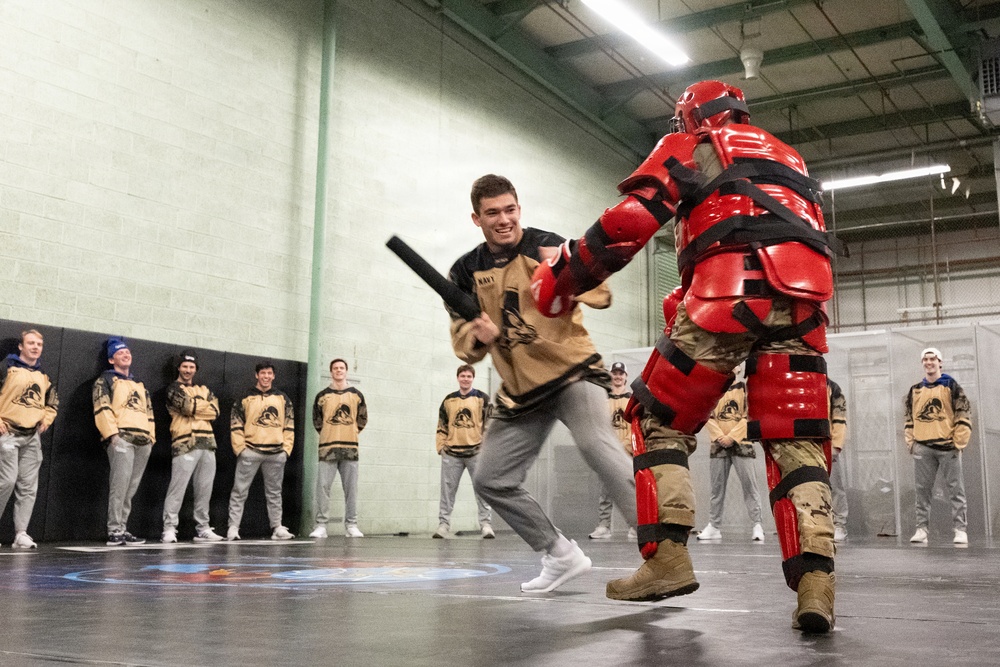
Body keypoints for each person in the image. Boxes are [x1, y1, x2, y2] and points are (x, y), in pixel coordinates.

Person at [531, 80, 843, 632]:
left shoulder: (697, 144)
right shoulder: (789, 158)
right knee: (797, 442)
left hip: (729, 296)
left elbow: (627, 224)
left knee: (656, 418)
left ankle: (668, 559)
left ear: (693, 117)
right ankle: (816, 586)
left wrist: (562, 278)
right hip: (804, 305)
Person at [447, 174, 637, 594]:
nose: (504, 220)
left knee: (596, 445)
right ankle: (560, 553)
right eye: (492, 213)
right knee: (490, 479)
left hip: (572, 371)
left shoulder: (546, 246)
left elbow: (602, 295)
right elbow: (464, 346)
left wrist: (567, 273)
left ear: (519, 209)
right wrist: (478, 335)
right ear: (476, 218)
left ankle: (664, 549)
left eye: (510, 210)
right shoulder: (464, 271)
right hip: (521, 392)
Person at [904, 347, 971, 545]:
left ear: (940, 362)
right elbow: (909, 417)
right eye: (925, 359)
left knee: (956, 490)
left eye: (932, 359)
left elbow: (963, 414)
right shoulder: (916, 390)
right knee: (922, 491)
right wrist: (911, 442)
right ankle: (921, 529)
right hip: (923, 447)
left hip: (948, 447)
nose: (929, 362)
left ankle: (960, 529)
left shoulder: (952, 386)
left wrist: (959, 442)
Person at [93, 337, 155, 545]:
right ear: (111, 360)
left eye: (127, 352)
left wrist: (151, 436)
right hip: (123, 438)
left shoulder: (139, 385)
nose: (126, 355)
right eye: (120, 353)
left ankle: (123, 527)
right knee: (119, 486)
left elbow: (149, 412)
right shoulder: (105, 380)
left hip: (143, 440)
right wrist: (112, 434)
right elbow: (102, 407)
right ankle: (114, 529)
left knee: (131, 488)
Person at [0, 329, 58, 549]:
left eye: (39, 344)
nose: (35, 347)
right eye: (31, 343)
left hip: (32, 436)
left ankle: (21, 533)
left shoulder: (44, 376)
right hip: (8, 433)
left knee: (28, 486)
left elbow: (53, 402)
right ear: (21, 346)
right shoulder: (6, 368)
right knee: (6, 481)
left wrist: (47, 418)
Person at [696, 363, 765, 543]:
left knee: (750, 486)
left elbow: (749, 415)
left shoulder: (746, 388)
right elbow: (707, 415)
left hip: (742, 444)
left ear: (739, 368)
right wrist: (720, 436)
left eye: (735, 365)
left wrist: (732, 437)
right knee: (717, 489)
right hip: (719, 445)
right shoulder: (714, 390)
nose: (731, 367)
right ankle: (714, 526)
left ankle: (757, 525)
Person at [227, 360, 295, 541]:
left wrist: (286, 450)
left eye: (269, 373)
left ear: (274, 376)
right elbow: (235, 423)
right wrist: (240, 449)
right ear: (256, 375)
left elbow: (289, 425)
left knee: (274, 493)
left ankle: (277, 527)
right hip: (250, 451)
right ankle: (233, 527)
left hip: (276, 453)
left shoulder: (282, 398)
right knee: (239, 491)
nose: (266, 376)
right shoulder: (245, 397)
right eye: (263, 373)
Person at [162, 351, 224, 543]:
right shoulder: (173, 389)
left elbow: (215, 411)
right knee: (177, 489)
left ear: (196, 369)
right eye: (184, 366)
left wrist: (196, 407)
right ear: (179, 368)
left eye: (191, 367)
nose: (188, 370)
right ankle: (169, 528)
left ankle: (203, 528)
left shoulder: (204, 389)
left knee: (204, 490)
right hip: (184, 443)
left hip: (207, 443)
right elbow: (187, 407)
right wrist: (201, 406)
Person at [432, 364, 493, 539]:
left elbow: (490, 424)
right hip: (452, 453)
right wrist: (441, 447)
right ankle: (443, 525)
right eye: (462, 376)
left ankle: (486, 525)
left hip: (476, 453)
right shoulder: (449, 400)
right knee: (447, 491)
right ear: (458, 378)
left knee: (482, 489)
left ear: (473, 378)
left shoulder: (482, 399)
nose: (465, 379)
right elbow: (442, 425)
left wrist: (486, 448)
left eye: (468, 376)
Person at [308, 358, 367, 539]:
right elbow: (317, 421)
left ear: (346, 371)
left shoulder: (356, 395)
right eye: (335, 368)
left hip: (350, 449)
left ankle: (351, 525)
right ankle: (321, 526)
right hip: (327, 449)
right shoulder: (322, 396)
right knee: (323, 488)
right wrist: (330, 433)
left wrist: (351, 432)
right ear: (331, 371)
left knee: (351, 490)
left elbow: (362, 419)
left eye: (341, 368)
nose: (339, 370)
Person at [589, 361, 633, 540]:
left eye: (621, 373)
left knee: (630, 490)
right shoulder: (603, 400)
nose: (618, 376)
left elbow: (636, 427)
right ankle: (604, 526)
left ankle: (634, 526)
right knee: (605, 491)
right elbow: (599, 425)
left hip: (628, 453)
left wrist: (626, 446)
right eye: (615, 373)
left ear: (626, 377)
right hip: (608, 452)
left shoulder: (632, 400)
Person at [828, 378, 848, 543]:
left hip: (827, 446)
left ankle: (839, 524)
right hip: (806, 444)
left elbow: (840, 419)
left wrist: (836, 445)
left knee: (835, 487)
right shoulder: (800, 383)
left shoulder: (832, 387)